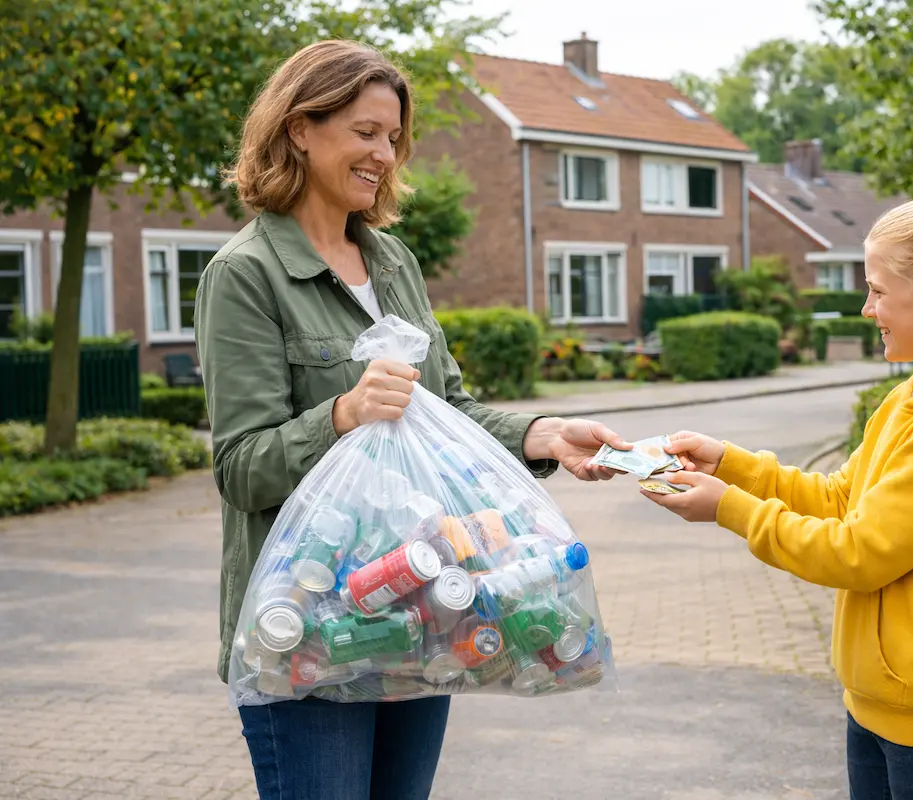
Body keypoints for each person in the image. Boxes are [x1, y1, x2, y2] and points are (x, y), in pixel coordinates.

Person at [194, 39, 628, 800]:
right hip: (308, 624)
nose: (385, 154)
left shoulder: (392, 260)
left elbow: (445, 410)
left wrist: (544, 435)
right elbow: (240, 467)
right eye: (365, 132)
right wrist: (343, 413)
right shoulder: (245, 274)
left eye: (393, 138)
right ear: (300, 128)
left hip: (422, 608)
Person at [643, 193, 913, 799]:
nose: (865, 306)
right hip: (879, 703)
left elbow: (858, 552)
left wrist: (729, 507)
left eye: (878, 290)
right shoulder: (909, 399)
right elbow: (840, 498)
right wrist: (732, 465)